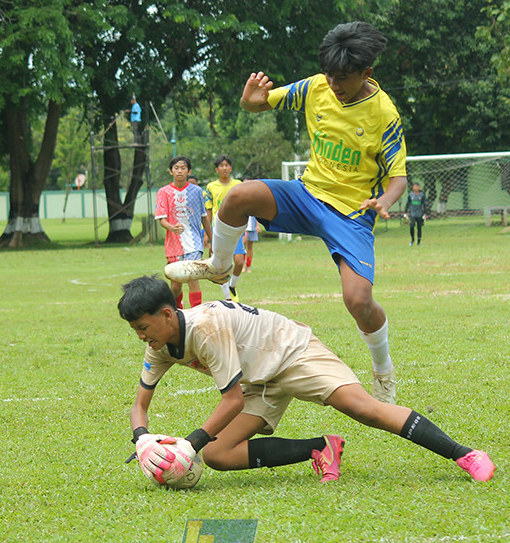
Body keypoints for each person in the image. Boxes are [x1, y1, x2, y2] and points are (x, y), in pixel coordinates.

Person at [165, 21, 407, 403]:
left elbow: (398, 177)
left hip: (351, 214)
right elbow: (257, 103)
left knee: (358, 300)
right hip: (306, 194)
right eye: (330, 74)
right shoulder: (315, 87)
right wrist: (249, 98)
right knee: (238, 197)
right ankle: (219, 266)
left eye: (343, 77)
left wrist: (385, 202)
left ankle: (384, 371)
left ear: (367, 73)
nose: (334, 84)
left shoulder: (384, 114)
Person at [120, 276, 495, 485]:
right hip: (259, 380)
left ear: (168, 315)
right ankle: (322, 448)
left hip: (292, 351)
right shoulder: (159, 344)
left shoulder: (204, 328)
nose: (140, 335)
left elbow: (231, 401)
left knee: (362, 409)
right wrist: (142, 442)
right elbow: (140, 404)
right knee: (218, 454)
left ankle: (465, 454)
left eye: (142, 326)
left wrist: (188, 445)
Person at [156, 156, 211, 309]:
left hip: (194, 243)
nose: (180, 171)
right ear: (170, 171)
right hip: (174, 244)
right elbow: (162, 219)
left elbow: (204, 218)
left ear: (189, 171)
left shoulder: (197, 191)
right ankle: (177, 310)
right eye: (176, 168)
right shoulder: (164, 192)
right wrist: (171, 227)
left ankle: (196, 312)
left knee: (192, 277)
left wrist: (211, 240)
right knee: (175, 285)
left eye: (183, 168)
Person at [203, 155, 248, 301]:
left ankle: (232, 286)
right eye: (221, 165)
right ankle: (228, 297)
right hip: (218, 230)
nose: (224, 168)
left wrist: (245, 229)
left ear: (231, 168)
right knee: (222, 263)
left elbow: (245, 206)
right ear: (217, 169)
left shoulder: (238, 184)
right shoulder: (211, 187)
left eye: (226, 165)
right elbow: (208, 211)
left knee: (239, 261)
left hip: (236, 228)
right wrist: (206, 234)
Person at [404, 180, 428, 246]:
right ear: (413, 188)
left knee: (419, 227)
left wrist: (425, 214)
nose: (416, 188)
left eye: (417, 186)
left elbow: (425, 205)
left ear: (419, 188)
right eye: (415, 186)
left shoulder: (422, 195)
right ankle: (412, 240)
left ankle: (419, 242)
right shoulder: (410, 195)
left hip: (420, 214)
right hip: (412, 214)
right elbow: (407, 204)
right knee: (411, 226)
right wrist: (405, 213)